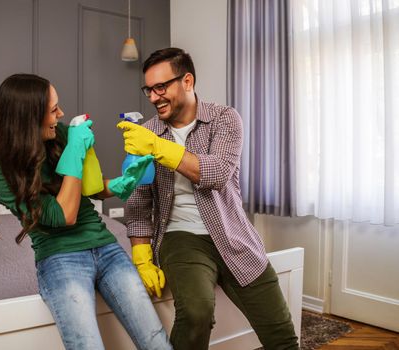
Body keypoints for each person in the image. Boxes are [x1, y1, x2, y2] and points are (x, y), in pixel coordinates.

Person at [117, 48, 299, 350]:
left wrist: (160, 148)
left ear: (187, 81)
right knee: (196, 313)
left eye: (161, 87)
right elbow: (138, 203)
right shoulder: (146, 131)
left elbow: (216, 173)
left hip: (233, 234)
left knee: (282, 335)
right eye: (148, 89)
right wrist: (142, 257)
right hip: (181, 237)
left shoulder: (224, 119)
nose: (153, 97)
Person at [0, 73, 172, 350]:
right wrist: (74, 151)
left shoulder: (58, 136)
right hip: (60, 259)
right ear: (27, 118)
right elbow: (64, 214)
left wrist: (120, 184)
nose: (60, 114)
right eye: (52, 110)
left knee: (156, 342)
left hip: (105, 247)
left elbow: (90, 189)